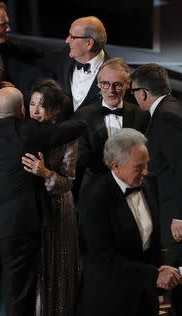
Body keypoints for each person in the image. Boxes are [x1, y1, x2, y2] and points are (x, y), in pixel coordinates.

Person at [0, 87, 86, 315]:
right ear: (22, 109)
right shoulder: (30, 133)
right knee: (17, 300)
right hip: (18, 232)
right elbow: (76, 127)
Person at [77, 128, 182, 316]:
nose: (146, 171)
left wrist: (159, 270)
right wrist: (153, 274)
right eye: (138, 167)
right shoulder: (94, 197)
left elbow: (151, 241)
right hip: (110, 299)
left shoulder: (149, 183)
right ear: (116, 166)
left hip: (144, 297)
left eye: (146, 164)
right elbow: (104, 258)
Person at [21, 80, 79, 316]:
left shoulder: (68, 137)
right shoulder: (23, 132)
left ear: (55, 110)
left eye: (41, 106)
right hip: (29, 210)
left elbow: (69, 181)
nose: (34, 111)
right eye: (32, 104)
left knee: (56, 266)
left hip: (57, 208)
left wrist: (45, 173)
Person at [130, 63, 182, 315]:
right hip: (170, 211)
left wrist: (180, 215)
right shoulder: (171, 109)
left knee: (176, 281)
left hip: (176, 216)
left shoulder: (167, 116)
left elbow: (180, 167)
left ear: (141, 93)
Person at [75, 58, 149, 196]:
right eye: (105, 84)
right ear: (98, 84)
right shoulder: (83, 116)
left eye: (117, 85)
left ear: (127, 84)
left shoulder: (141, 116)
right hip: (94, 192)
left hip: (132, 191)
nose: (111, 90)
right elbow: (80, 160)